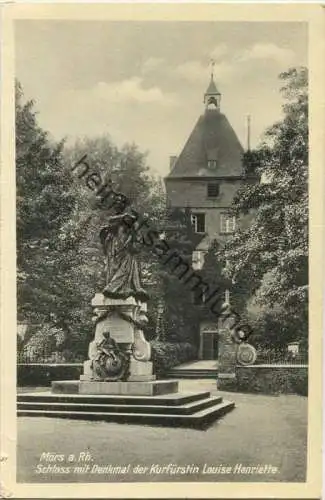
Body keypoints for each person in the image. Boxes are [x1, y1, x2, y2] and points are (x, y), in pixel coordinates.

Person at [100, 212, 148, 301]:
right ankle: (113, 288)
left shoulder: (129, 230)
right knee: (124, 268)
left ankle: (125, 288)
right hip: (119, 251)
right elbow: (110, 222)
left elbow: (135, 241)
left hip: (125, 251)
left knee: (129, 266)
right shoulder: (118, 228)